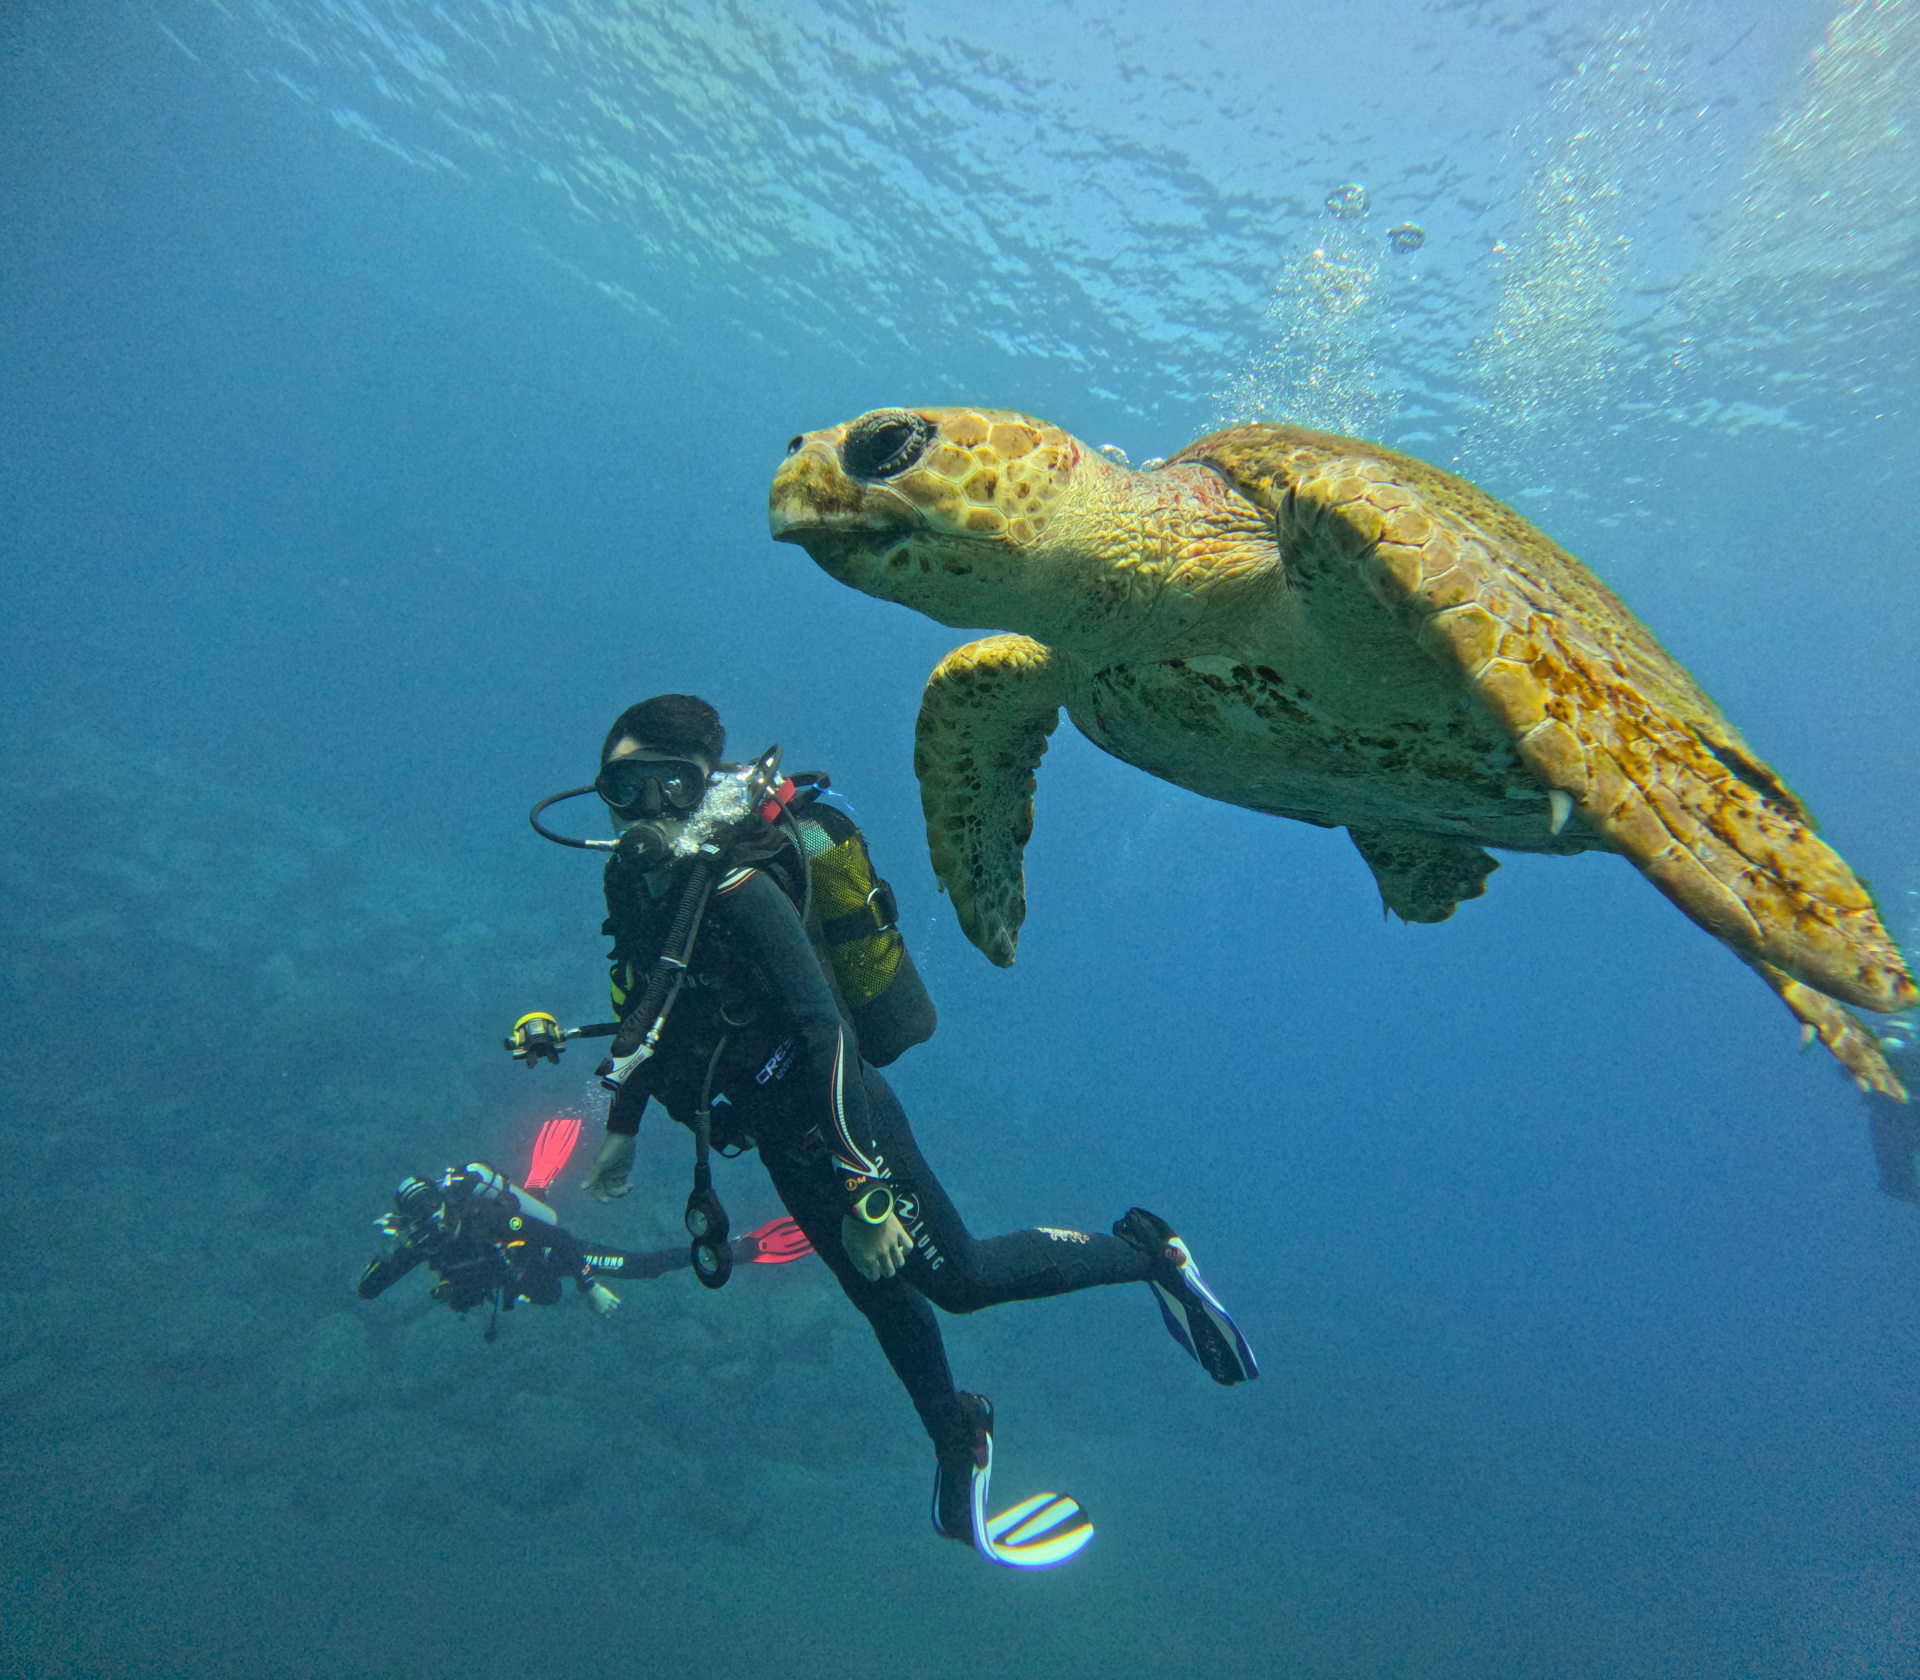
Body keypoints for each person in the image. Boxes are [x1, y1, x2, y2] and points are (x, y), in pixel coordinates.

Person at [543, 694, 1256, 1562]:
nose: (649, 811)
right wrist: (621, 1127)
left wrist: (865, 1189)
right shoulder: (634, 881)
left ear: (701, 787)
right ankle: (958, 1436)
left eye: (671, 786)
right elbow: (648, 1008)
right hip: (773, 1127)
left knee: (957, 1279)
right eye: (627, 787)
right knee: (878, 1299)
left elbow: (826, 1033)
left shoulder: (738, 887)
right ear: (603, 793)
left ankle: (1149, 1251)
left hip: (842, 1116)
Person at [358, 1163, 627, 1329]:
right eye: (418, 1212)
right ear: (411, 1219)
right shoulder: (421, 1244)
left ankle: (536, 1188)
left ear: (440, 1198)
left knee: (640, 1266)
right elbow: (368, 1290)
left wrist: (590, 1287)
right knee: (548, 1296)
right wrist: (386, 1253)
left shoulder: (480, 1216)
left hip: (544, 1256)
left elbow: (559, 1237)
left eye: (429, 1203)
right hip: (508, 1281)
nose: (429, 1215)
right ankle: (535, 1189)